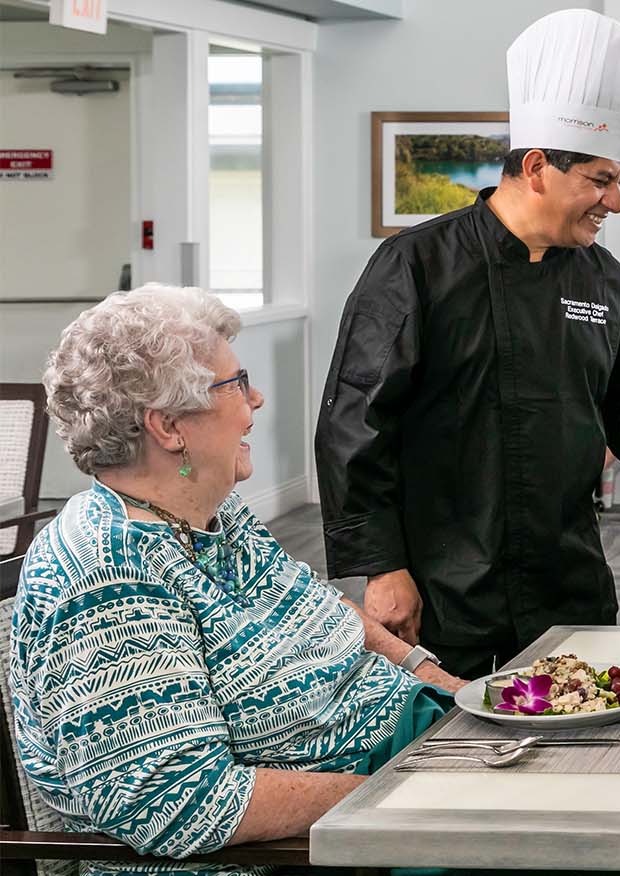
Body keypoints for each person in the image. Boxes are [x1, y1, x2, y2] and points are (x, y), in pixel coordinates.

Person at [9, 285, 465, 873]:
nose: (256, 398)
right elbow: (181, 804)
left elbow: (318, 608)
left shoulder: (209, 515)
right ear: (170, 426)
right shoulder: (104, 575)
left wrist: (446, 687)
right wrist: (402, 790)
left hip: (410, 764)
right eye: (235, 384)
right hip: (329, 841)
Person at [315, 10, 620, 679]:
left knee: (583, 734)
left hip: (567, 567)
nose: (615, 201)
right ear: (539, 166)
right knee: (445, 756)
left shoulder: (601, 275)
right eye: (600, 180)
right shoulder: (417, 265)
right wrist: (382, 567)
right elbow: (355, 425)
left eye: (618, 181)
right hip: (443, 577)